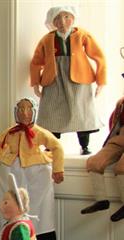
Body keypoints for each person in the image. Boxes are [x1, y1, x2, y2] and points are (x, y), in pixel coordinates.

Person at [0, 97, 64, 240]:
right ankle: (4, 235)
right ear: (16, 112)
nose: (24, 113)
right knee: (7, 198)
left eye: (28, 109)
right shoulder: (10, 132)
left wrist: (58, 169)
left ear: (34, 112)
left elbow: (57, 147)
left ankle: (41, 237)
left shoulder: (40, 133)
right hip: (11, 168)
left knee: (38, 203)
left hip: (36, 171)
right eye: (21, 109)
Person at [30, 5, 105, 155]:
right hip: (54, 79)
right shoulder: (47, 39)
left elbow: (99, 56)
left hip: (79, 79)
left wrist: (101, 81)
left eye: (66, 17)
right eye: (57, 18)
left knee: (81, 111)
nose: (62, 22)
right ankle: (51, 145)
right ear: (52, 21)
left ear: (73, 18)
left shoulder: (82, 35)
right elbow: (36, 62)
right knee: (51, 112)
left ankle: (84, 145)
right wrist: (36, 83)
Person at [81, 95, 124, 222]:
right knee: (94, 162)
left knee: (121, 167)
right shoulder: (121, 103)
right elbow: (114, 123)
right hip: (119, 138)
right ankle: (101, 201)